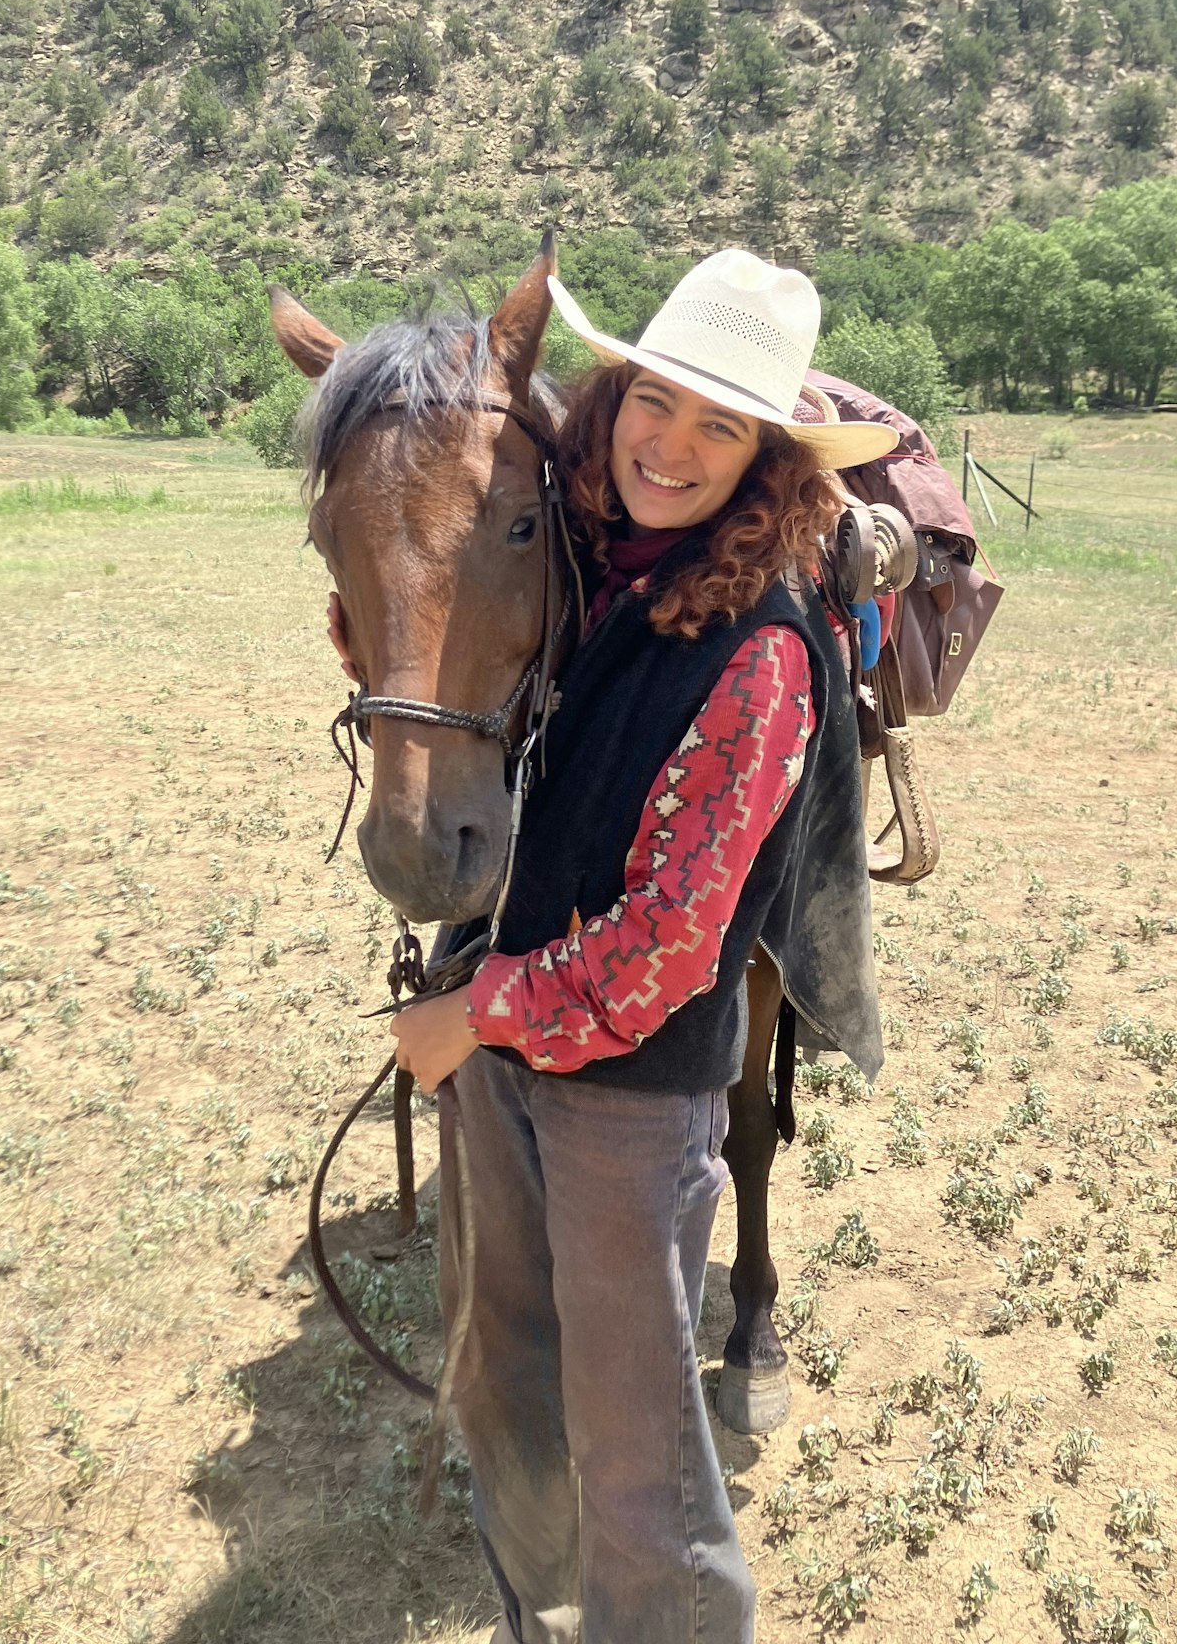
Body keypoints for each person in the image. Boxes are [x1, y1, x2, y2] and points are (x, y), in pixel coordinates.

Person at [383, 250, 895, 1644]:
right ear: (612, 400)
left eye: (720, 426)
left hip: (626, 1100)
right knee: (508, 1377)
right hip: (504, 1059)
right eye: (655, 401)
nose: (671, 446)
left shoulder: (763, 654)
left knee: (639, 1456)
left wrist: (471, 1012)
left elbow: (667, 951)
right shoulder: (579, 569)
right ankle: (536, 1614)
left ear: (768, 460)